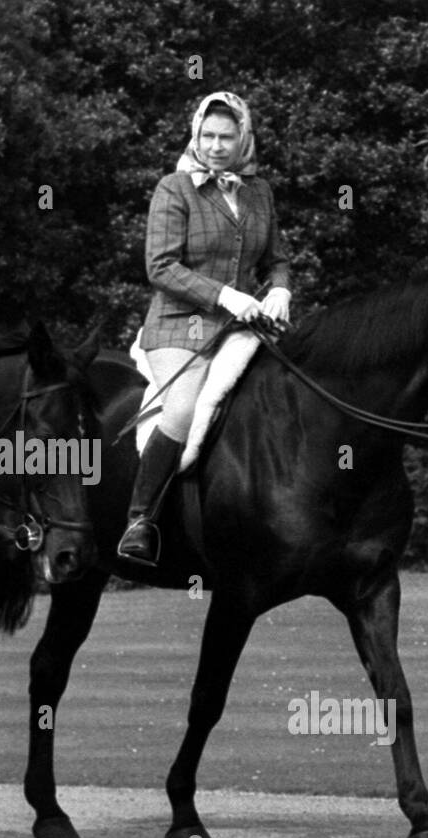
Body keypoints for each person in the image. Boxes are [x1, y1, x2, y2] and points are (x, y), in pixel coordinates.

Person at [117, 91, 291, 565]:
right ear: (197, 135)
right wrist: (224, 294)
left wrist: (279, 289)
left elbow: (277, 259)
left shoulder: (260, 192)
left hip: (242, 325)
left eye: (226, 136)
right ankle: (140, 520)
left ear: (243, 138)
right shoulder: (174, 188)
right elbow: (161, 266)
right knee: (185, 406)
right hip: (179, 325)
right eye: (208, 136)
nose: (216, 146)